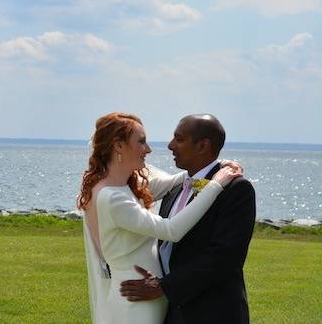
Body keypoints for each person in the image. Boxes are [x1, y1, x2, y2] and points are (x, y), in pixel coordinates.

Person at [79, 112, 242, 324]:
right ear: (118, 146)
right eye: (141, 142)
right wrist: (215, 185)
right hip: (134, 300)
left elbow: (184, 179)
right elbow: (171, 230)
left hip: (152, 301)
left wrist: (217, 166)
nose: (148, 149)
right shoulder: (111, 197)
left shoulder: (128, 187)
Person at [119, 114, 256, 324]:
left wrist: (165, 287)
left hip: (213, 313)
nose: (170, 146)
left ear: (203, 145)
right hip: (171, 312)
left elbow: (225, 257)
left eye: (179, 139)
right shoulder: (174, 187)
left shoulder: (237, 189)